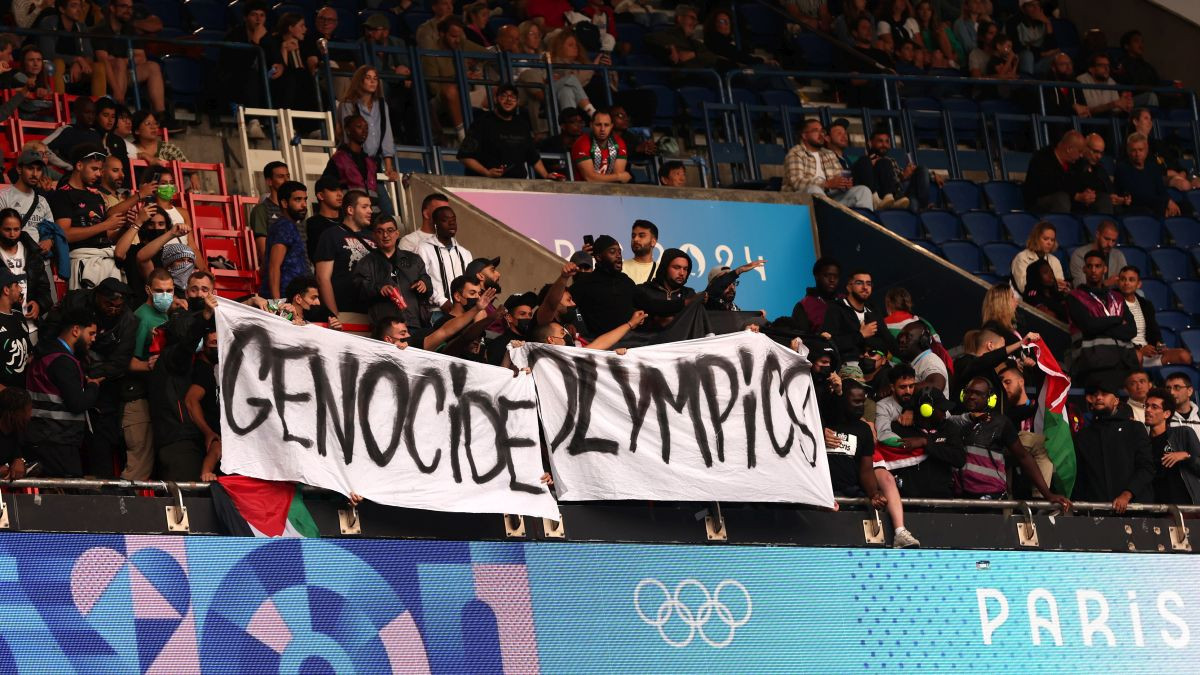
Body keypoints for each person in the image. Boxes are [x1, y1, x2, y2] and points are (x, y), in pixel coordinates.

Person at [51, 143, 155, 290]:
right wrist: (105, 225)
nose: (99, 174)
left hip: (108, 259)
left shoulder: (96, 196)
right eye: (94, 169)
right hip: (83, 260)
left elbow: (108, 236)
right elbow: (64, 234)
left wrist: (124, 227)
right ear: (79, 165)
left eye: (100, 170)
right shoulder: (63, 194)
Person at [954, 376, 1069, 507]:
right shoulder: (957, 422)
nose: (972, 396)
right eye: (968, 392)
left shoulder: (1001, 423)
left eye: (978, 394)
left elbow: (1024, 457)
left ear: (990, 399)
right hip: (962, 499)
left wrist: (1048, 494)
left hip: (991, 500)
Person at [25, 307, 100, 477]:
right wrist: (93, 386)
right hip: (57, 441)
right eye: (91, 333)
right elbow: (77, 403)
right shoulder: (63, 361)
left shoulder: (45, 354)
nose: (94, 339)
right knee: (67, 498)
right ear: (75, 330)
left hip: (45, 438)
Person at [1073, 378, 1155, 512]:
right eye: (1095, 395)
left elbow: (1147, 468)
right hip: (1097, 514)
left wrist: (1127, 494)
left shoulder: (1135, 428)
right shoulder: (1083, 436)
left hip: (1136, 511)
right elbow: (1081, 477)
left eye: (1104, 394)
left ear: (1116, 401)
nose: (1099, 397)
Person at [126, 268, 176, 480]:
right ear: (148, 289)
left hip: (160, 398)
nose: (165, 296)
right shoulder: (141, 318)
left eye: (169, 291)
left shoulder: (166, 314)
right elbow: (128, 363)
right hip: (138, 397)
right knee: (140, 464)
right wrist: (150, 365)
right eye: (159, 291)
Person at [459, 84, 561, 180]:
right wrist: (487, 172)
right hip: (486, 184)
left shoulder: (522, 124)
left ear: (517, 101)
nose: (508, 100)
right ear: (495, 99)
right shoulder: (482, 123)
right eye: (504, 96)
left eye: (512, 97)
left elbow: (533, 156)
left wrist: (546, 175)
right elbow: (465, 157)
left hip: (517, 185)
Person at [1067, 250, 1137, 383]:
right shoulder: (1075, 296)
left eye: (1098, 266)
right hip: (1091, 359)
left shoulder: (1117, 297)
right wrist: (1117, 320)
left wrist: (1099, 325)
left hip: (1123, 359)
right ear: (1084, 269)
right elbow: (1088, 327)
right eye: (1090, 266)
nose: (1093, 270)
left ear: (1105, 269)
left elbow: (1131, 330)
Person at [335, 66, 401, 208]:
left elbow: (387, 134)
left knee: (387, 209)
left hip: (373, 164)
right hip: (353, 163)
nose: (372, 82)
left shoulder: (382, 105)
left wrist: (388, 166)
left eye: (375, 79)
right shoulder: (348, 104)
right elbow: (349, 136)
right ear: (360, 81)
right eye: (368, 78)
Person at [91, 0, 167, 121]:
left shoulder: (130, 30)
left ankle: (161, 115)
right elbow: (103, 61)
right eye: (123, 6)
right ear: (112, 8)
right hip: (105, 76)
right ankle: (118, 110)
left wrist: (120, 60)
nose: (128, 10)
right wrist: (117, 89)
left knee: (153, 66)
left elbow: (141, 57)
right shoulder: (100, 30)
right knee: (119, 64)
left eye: (130, 8)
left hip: (125, 73)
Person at [354, 214, 431, 331]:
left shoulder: (413, 259)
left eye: (390, 230)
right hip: (386, 327)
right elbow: (358, 288)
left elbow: (428, 284)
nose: (385, 235)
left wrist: (424, 284)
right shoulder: (367, 262)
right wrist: (379, 289)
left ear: (397, 233)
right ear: (374, 235)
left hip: (414, 322)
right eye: (380, 231)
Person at [782, 119, 873, 210]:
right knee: (815, 189)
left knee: (863, 190)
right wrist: (826, 184)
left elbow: (838, 177)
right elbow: (796, 182)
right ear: (804, 135)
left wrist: (844, 184)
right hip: (800, 201)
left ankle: (863, 223)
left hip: (829, 199)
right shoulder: (796, 153)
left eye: (822, 131)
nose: (821, 134)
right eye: (815, 131)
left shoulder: (829, 154)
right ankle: (829, 219)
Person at [314, 189, 375, 321]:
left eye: (370, 206)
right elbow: (322, 278)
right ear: (350, 210)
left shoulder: (374, 237)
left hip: (374, 314)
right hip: (345, 311)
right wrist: (334, 314)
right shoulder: (331, 235)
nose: (370, 211)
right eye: (364, 207)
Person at [1118, 265, 1191, 368]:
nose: (1126, 283)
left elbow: (1154, 330)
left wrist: (1160, 345)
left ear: (1138, 284)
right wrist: (1139, 350)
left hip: (1148, 352)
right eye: (1123, 279)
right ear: (1118, 282)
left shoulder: (1146, 304)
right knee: (1137, 356)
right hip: (1128, 353)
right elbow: (1118, 334)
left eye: (1131, 280)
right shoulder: (1114, 303)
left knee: (1183, 356)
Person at [851, 127, 938, 211]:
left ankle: (923, 207)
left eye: (887, 142)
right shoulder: (865, 163)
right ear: (870, 143)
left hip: (901, 196)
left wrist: (933, 176)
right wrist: (902, 177)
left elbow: (900, 178)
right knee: (913, 203)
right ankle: (913, 208)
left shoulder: (891, 160)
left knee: (922, 169)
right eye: (880, 141)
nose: (884, 145)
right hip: (882, 197)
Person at [822, 269, 891, 373]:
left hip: (875, 365)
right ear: (849, 287)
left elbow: (888, 340)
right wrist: (861, 335)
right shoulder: (836, 309)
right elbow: (830, 344)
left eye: (868, 284)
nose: (865, 287)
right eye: (859, 283)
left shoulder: (873, 311)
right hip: (847, 366)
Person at [998, 364, 1056, 487]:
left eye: (1008, 382)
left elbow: (1046, 387)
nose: (1004, 387)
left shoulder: (1038, 408)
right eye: (1001, 384)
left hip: (1043, 479)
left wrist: (1035, 367)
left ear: (1021, 381)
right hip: (1013, 479)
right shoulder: (1004, 414)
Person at [570, 234, 637, 338]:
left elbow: (649, 304)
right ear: (598, 257)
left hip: (628, 346)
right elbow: (558, 306)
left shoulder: (626, 282)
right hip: (597, 348)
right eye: (612, 252)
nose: (618, 255)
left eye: (619, 251)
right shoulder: (584, 283)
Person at [0, 207, 52, 337]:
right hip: (3, 328)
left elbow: (44, 287)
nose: (12, 234)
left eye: (16, 229)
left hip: (30, 327)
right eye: (7, 229)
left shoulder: (32, 252)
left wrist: (39, 304)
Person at [36, 0, 106, 97]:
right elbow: (48, 54)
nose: (79, 10)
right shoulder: (48, 23)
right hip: (51, 69)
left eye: (80, 6)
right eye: (74, 6)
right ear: (62, 9)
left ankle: (101, 106)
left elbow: (89, 55)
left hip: (76, 69)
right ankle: (60, 105)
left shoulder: (81, 26)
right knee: (58, 63)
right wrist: (75, 59)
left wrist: (78, 63)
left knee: (99, 67)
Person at [1144, 388, 1200, 506]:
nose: (1148, 410)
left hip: (1187, 507)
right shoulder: (1143, 442)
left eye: (1154, 407)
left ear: (1167, 414)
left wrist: (1186, 456)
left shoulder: (1183, 433)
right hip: (1156, 509)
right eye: (1146, 406)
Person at [261, 181, 311, 300]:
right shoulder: (284, 226)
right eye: (298, 200)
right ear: (284, 203)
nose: (304, 205)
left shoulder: (288, 225)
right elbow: (274, 266)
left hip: (291, 299)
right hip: (284, 300)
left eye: (305, 199)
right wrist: (277, 304)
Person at [1115, 132, 1184, 218]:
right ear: (1128, 151)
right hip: (1136, 209)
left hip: (1155, 206)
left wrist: (1169, 201)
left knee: (1184, 207)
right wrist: (1164, 204)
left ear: (1146, 149)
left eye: (1140, 150)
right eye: (1134, 150)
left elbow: (1161, 190)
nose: (1137, 154)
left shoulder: (1152, 167)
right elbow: (1137, 195)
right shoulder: (1122, 169)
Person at [418, 206, 472, 313]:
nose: (452, 224)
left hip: (464, 311)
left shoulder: (465, 253)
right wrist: (441, 300)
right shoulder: (423, 248)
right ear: (435, 224)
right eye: (445, 220)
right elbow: (422, 279)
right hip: (436, 311)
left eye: (453, 220)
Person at [1022, 130, 1089, 214]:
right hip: (1040, 203)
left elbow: (1079, 182)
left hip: (1069, 201)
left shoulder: (1076, 163)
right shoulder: (1041, 158)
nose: (1081, 155)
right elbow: (1047, 187)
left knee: (1100, 200)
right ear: (1069, 149)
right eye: (1079, 151)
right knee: (1061, 199)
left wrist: (1086, 193)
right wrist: (1074, 195)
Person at [187, 327, 222, 482]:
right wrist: (208, 432)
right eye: (214, 342)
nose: (217, 347)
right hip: (205, 436)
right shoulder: (203, 370)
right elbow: (191, 400)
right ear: (203, 345)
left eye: (220, 342)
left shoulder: (213, 370)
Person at [0, 148, 55, 243]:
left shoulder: (42, 201)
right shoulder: (4, 196)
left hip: (37, 255)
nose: (35, 174)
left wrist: (49, 241)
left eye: (38, 170)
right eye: (30, 168)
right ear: (19, 169)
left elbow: (50, 229)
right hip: (11, 252)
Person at [645, 4, 720, 69]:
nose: (695, 23)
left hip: (700, 79)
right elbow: (649, 38)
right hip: (682, 80)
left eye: (696, 20)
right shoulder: (666, 35)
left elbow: (712, 57)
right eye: (692, 18)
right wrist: (670, 46)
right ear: (679, 18)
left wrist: (693, 54)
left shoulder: (695, 43)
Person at [323, 114, 379, 196]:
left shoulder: (370, 161)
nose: (364, 131)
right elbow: (325, 185)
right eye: (359, 127)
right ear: (348, 130)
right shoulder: (339, 159)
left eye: (366, 128)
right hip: (349, 206)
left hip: (372, 207)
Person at [1073, 133, 1129, 214]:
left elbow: (1110, 190)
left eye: (1101, 153)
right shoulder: (1075, 165)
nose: (1099, 156)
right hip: (1083, 207)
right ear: (1085, 147)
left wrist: (1116, 198)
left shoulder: (1100, 168)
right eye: (1095, 152)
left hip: (1103, 205)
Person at [571, 110, 632, 183]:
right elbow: (590, 178)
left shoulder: (619, 142)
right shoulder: (582, 143)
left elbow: (617, 179)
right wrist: (618, 176)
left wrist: (618, 177)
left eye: (606, 125)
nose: (602, 129)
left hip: (610, 191)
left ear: (612, 126)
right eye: (598, 125)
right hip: (584, 191)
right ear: (591, 125)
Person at [42, 97, 101, 172]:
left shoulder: (95, 134)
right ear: (76, 112)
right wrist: (66, 165)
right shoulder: (67, 130)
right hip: (71, 176)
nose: (91, 117)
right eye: (87, 112)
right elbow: (42, 147)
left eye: (93, 113)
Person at [248, 161, 291, 261]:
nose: (286, 180)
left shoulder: (294, 209)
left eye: (288, 176)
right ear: (269, 181)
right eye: (281, 177)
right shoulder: (261, 210)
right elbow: (264, 252)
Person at [1010, 221, 1068, 294]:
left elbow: (1060, 287)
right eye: (1045, 239)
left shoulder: (1055, 260)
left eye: (1052, 240)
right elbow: (1024, 287)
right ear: (1036, 238)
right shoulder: (1022, 257)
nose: (1049, 243)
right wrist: (1052, 283)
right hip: (1028, 301)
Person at [0, 266, 32, 391]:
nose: (21, 288)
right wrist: (9, 397)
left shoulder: (18, 316)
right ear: (6, 290)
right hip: (6, 402)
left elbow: (27, 355)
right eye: (17, 285)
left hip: (24, 393)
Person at [896, 322, 948, 396]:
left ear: (923, 340)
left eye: (907, 336)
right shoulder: (918, 362)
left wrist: (900, 388)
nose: (902, 340)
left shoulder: (930, 360)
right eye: (900, 337)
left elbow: (937, 385)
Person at [1068, 220, 1125, 288]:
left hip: (1114, 296)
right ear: (1097, 234)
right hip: (1088, 297)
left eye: (1113, 241)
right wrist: (1106, 284)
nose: (1110, 244)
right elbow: (1080, 286)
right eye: (1106, 239)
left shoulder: (1118, 255)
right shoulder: (1079, 255)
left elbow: (1125, 281)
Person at [1077, 52, 1133, 118]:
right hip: (1090, 121)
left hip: (1108, 119)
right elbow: (1088, 110)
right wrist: (1113, 104)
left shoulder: (1111, 82)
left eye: (1108, 65)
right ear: (1091, 69)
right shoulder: (1081, 81)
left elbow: (1116, 109)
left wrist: (1125, 105)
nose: (1106, 68)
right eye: (1101, 65)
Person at [793, 257, 841, 332]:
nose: (832, 280)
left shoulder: (845, 300)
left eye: (836, 276)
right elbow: (802, 339)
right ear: (816, 276)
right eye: (827, 275)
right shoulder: (803, 306)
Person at [305, 176, 344, 262]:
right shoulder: (312, 224)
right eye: (333, 190)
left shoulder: (349, 219)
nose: (340, 194)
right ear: (321, 195)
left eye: (340, 190)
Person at [0, 387, 31, 478]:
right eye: (26, 411)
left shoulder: (20, 433)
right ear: (13, 413)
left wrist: (19, 459)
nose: (29, 416)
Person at [622, 220, 658, 285]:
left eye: (641, 236)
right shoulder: (620, 268)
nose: (635, 239)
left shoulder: (660, 271)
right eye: (633, 236)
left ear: (653, 242)